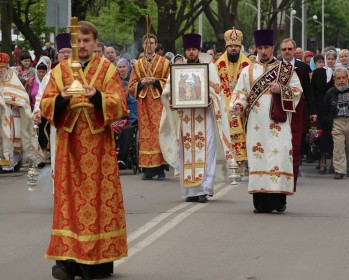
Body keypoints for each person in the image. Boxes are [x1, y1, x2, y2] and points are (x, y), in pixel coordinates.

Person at [41, 21, 128, 279]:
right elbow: (46, 103)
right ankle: (67, 260)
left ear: (95, 43)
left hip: (98, 147)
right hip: (69, 148)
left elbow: (120, 104)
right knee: (69, 203)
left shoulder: (107, 69)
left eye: (87, 41)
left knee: (99, 202)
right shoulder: (60, 71)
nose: (82, 45)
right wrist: (61, 99)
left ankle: (97, 262)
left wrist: (97, 96)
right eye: (77, 41)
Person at [230, 29, 302, 213]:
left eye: (267, 47)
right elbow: (240, 93)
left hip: (279, 123)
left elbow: (297, 93)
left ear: (273, 48)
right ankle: (260, 203)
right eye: (260, 47)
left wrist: (281, 90)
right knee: (259, 158)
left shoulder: (286, 70)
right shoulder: (247, 71)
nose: (263, 51)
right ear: (256, 48)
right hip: (257, 125)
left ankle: (279, 202)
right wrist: (238, 105)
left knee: (279, 156)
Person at [160, 33, 232, 203]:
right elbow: (168, 90)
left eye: (194, 49)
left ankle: (204, 189)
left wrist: (209, 99)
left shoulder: (209, 67)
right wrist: (171, 99)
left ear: (198, 50)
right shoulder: (179, 69)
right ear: (185, 51)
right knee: (186, 154)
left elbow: (217, 91)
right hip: (185, 118)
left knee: (204, 150)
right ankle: (190, 191)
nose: (191, 52)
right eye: (188, 50)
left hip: (203, 116)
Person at [128, 33, 170, 180]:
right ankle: (147, 169)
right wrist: (142, 83)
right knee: (146, 134)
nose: (149, 46)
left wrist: (156, 81)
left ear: (156, 45)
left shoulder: (165, 63)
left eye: (152, 43)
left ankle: (160, 168)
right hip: (144, 103)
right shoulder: (137, 65)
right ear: (143, 45)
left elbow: (169, 82)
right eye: (146, 43)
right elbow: (131, 86)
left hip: (159, 103)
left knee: (159, 132)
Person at [33, 33, 72, 182]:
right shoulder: (51, 75)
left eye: (69, 51)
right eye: (63, 52)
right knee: (58, 156)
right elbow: (41, 96)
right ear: (58, 55)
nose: (66, 54)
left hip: (80, 121)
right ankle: (60, 194)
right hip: (59, 122)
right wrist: (38, 111)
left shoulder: (80, 71)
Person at [279, 38, 317, 188]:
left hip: (298, 110)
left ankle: (293, 169)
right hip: (280, 110)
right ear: (280, 51)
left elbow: (308, 91)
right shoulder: (276, 65)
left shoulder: (302, 67)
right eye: (284, 49)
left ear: (295, 50)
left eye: (290, 49)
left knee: (296, 141)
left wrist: (313, 111)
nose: (287, 52)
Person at [215, 27, 250, 177]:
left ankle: (242, 164)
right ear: (226, 47)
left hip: (242, 106)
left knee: (243, 134)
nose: (233, 49)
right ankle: (228, 166)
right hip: (224, 105)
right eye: (231, 46)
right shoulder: (218, 64)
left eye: (236, 46)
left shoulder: (248, 65)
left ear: (240, 47)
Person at [0, 53, 41, 172]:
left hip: (12, 114)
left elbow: (23, 98)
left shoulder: (13, 78)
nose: (0, 71)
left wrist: (9, 99)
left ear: (6, 68)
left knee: (11, 138)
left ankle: (9, 164)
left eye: (2, 68)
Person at [324, 67, 349, 179]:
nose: (341, 80)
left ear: (348, 78)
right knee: (338, 147)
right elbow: (326, 108)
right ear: (334, 79)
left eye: (344, 78)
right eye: (338, 78)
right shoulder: (330, 93)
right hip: (337, 121)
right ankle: (339, 170)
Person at [311, 49, 337, 174]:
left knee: (334, 136)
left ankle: (334, 162)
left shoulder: (340, 73)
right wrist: (313, 110)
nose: (331, 61)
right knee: (321, 135)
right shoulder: (318, 72)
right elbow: (313, 92)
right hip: (321, 108)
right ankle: (322, 161)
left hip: (335, 109)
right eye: (329, 59)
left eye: (333, 59)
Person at [25, 57, 51, 168]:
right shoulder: (31, 82)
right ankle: (35, 156)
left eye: (43, 72)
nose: (41, 74)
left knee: (43, 135)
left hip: (46, 111)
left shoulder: (50, 81)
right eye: (39, 71)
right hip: (33, 111)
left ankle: (43, 156)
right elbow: (28, 96)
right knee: (34, 135)